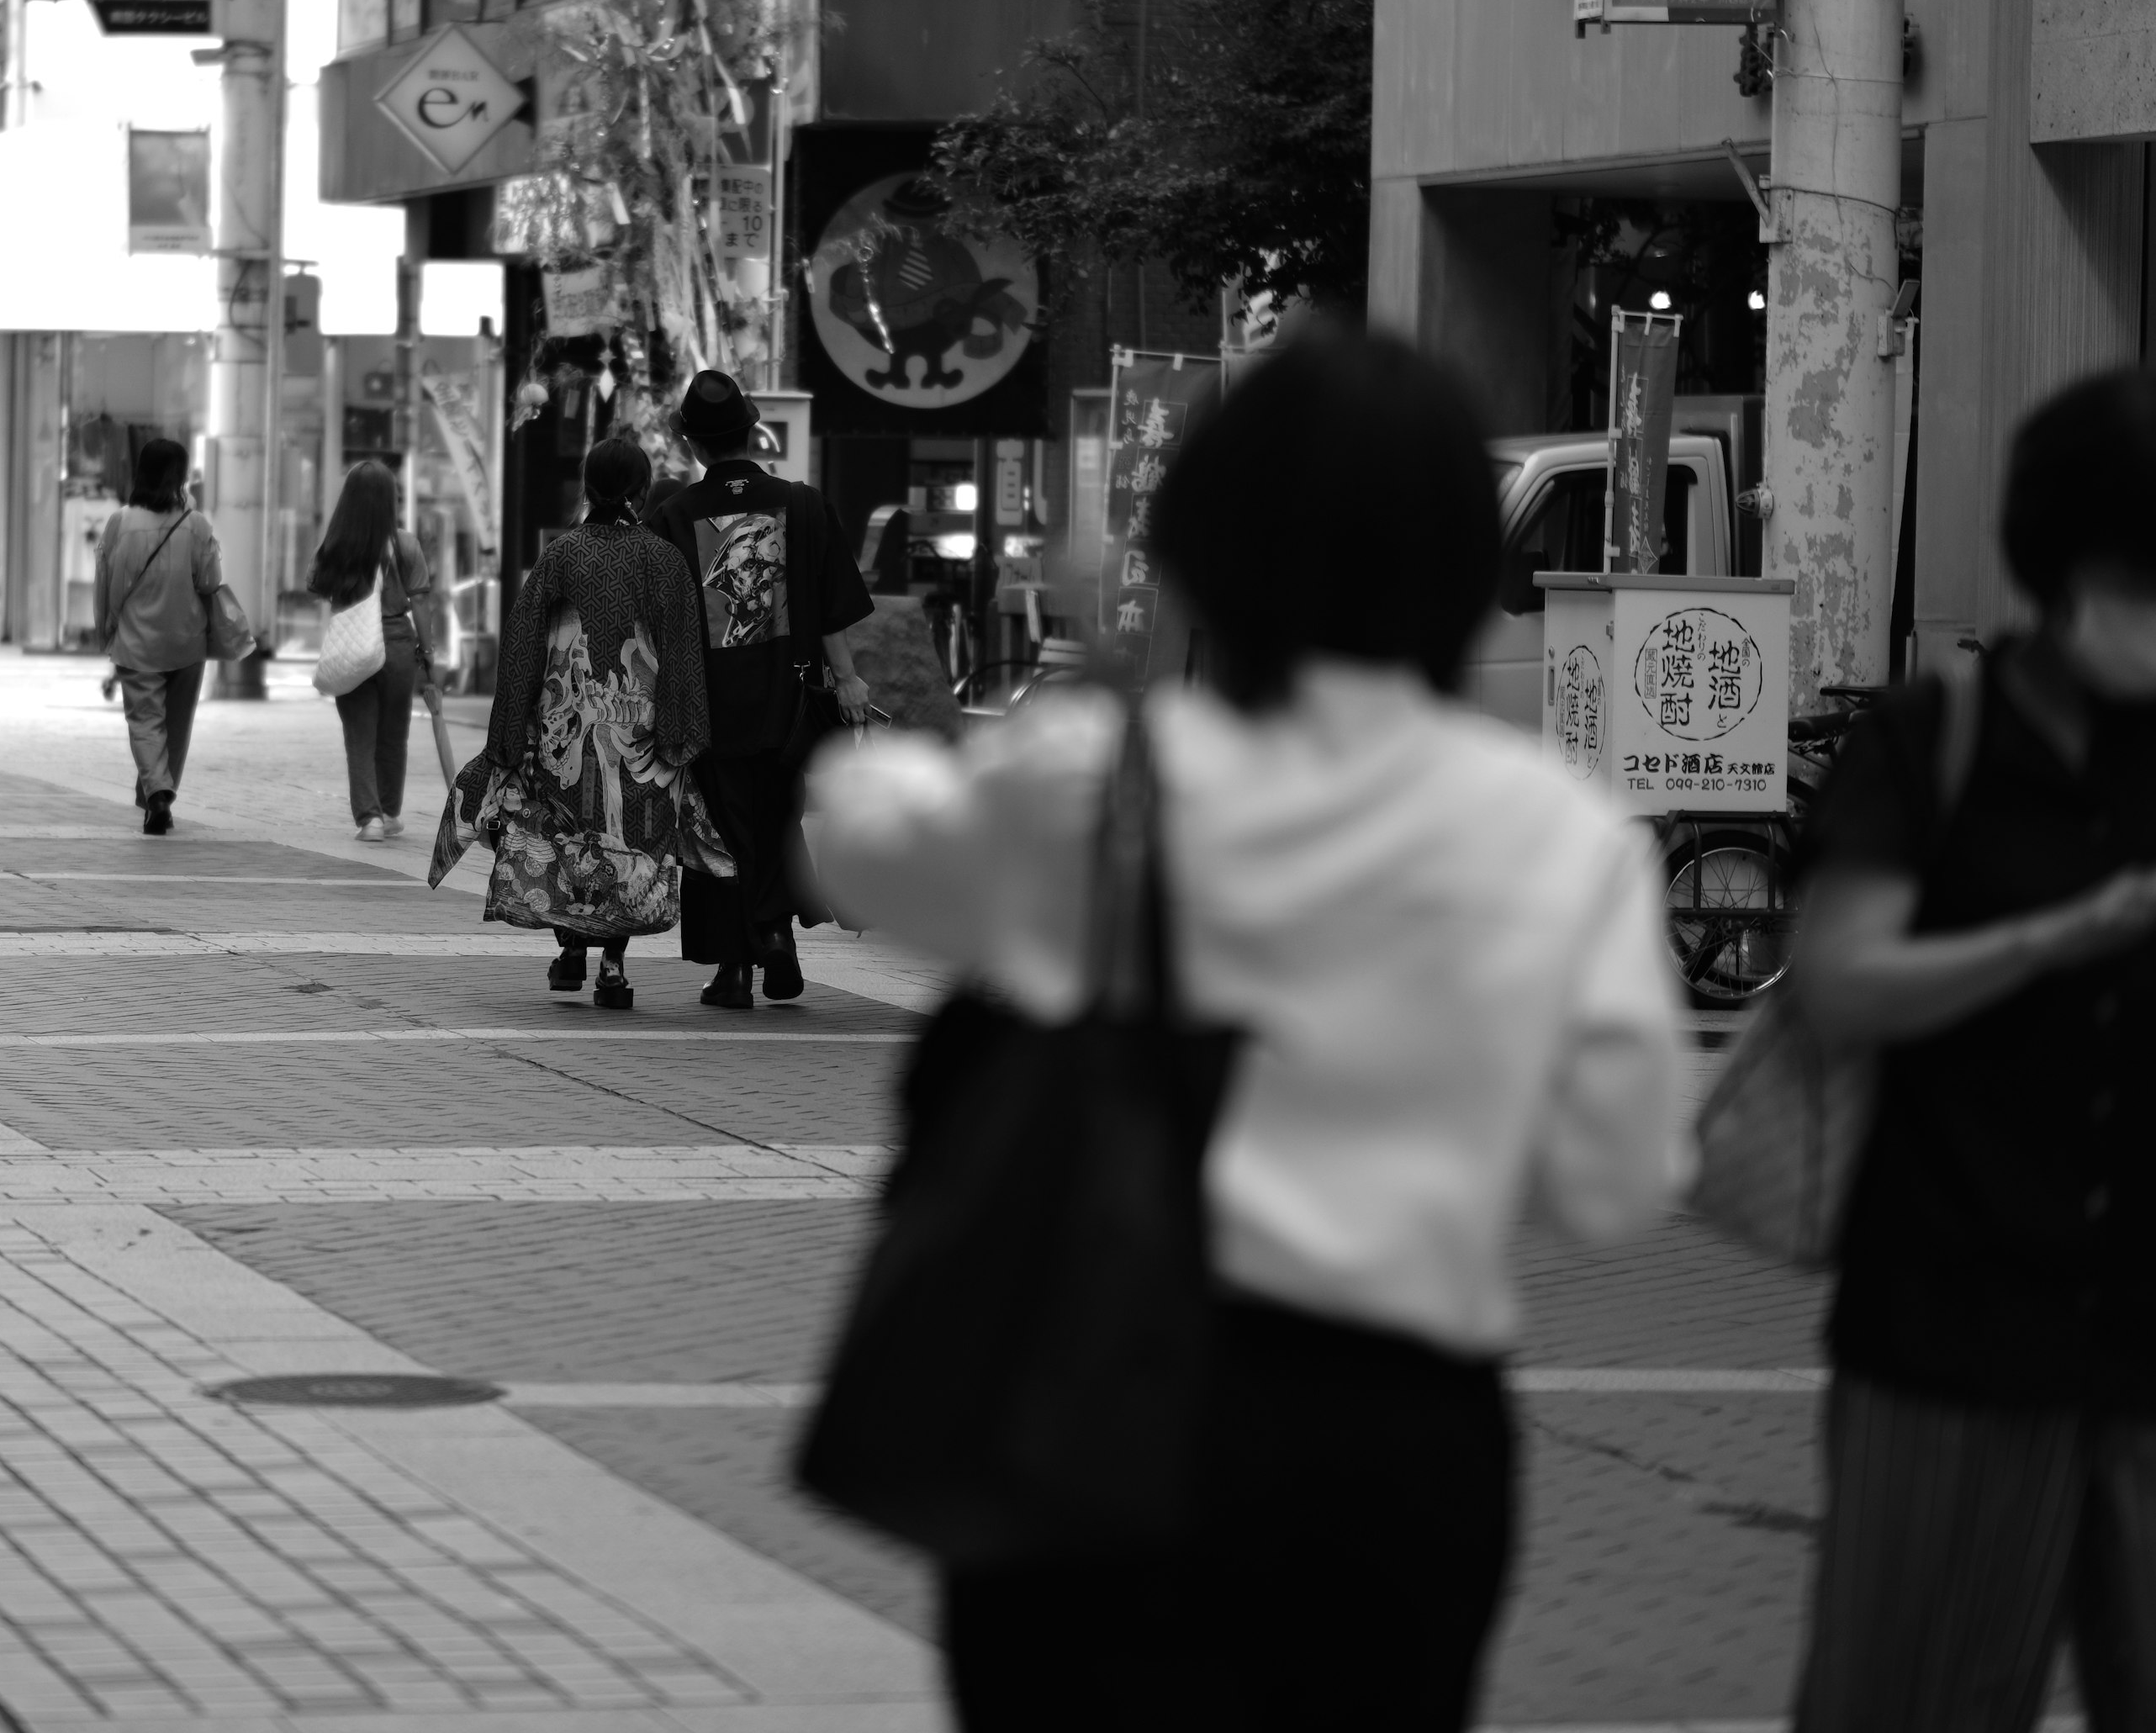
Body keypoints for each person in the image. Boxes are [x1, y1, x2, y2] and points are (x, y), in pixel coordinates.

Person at [813, 329, 1685, 1729]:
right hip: (1396, 1450)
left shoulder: (1102, 788)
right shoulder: (1558, 836)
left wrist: (1055, 696)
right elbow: (1614, 1180)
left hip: (1090, 1409)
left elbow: (856, 848)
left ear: (1203, 541)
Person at [1789, 367, 2156, 1733]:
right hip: (1948, 1337)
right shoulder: (1933, 744)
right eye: (2152, 575)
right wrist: (2069, 934)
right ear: (2058, 562)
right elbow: (1843, 983)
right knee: (1919, 1701)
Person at [446, 436, 721, 1011]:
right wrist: (684, 731)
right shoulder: (665, 561)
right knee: (630, 848)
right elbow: (683, 652)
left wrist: (508, 733)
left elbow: (522, 645)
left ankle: (571, 943)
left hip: (563, 727)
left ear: (586, 487)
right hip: (642, 733)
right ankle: (613, 970)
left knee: (567, 841)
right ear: (643, 491)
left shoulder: (561, 555)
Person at [643, 371, 875, 1009]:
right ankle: (773, 934)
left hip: (707, 705)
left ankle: (738, 967)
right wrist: (848, 678)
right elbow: (830, 609)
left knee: (718, 830)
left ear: (691, 444)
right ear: (753, 430)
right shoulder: (801, 504)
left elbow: (655, 626)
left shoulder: (671, 518)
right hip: (791, 700)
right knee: (777, 815)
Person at [93, 437, 223, 837]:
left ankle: (157, 795)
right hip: (186, 640)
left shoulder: (121, 522)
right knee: (177, 726)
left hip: (136, 641)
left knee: (146, 723)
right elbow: (212, 580)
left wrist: (107, 630)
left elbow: (105, 582)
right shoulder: (195, 524)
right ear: (182, 476)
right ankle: (160, 792)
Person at [309, 458, 436, 843]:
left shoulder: (335, 546)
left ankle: (370, 820)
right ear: (389, 501)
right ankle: (389, 809)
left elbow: (318, 586)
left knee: (359, 736)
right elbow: (421, 604)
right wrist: (428, 651)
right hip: (398, 645)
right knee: (394, 735)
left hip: (353, 647)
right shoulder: (406, 545)